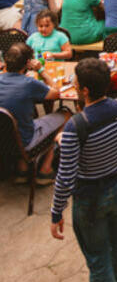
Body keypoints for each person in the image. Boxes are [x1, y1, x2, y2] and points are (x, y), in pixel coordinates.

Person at [50, 58, 117, 281]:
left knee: (99, 261)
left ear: (84, 90)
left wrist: (57, 212)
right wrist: (114, 145)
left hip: (89, 199)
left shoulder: (76, 125)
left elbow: (66, 177)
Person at [0, 42, 67, 183]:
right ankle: (45, 170)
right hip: (25, 141)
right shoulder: (29, 84)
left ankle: (22, 169)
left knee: (19, 120)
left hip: (4, 141)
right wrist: (41, 70)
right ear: (28, 63)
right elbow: (56, 92)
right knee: (66, 115)